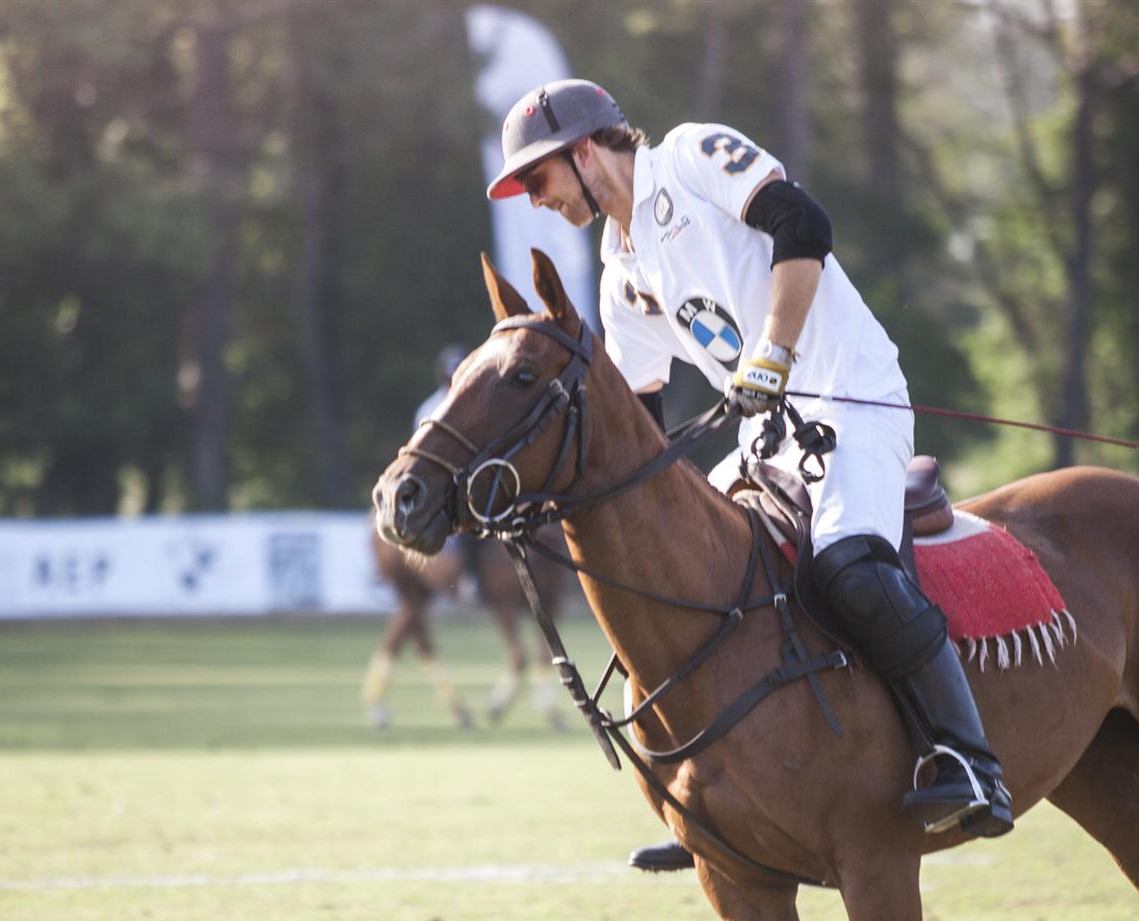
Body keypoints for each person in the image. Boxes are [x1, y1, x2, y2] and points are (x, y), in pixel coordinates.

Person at [486, 78, 1013, 872]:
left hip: (852, 395)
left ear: (585, 150)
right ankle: (703, 793)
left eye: (538, 178)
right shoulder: (619, 269)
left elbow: (802, 223)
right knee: (688, 583)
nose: (535, 199)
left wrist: (773, 348)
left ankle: (971, 759)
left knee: (850, 569)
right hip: (769, 435)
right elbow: (640, 422)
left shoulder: (693, 156)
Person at [415, 343, 487, 604]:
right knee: (468, 523)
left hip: (471, 478)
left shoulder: (476, 403)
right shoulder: (429, 408)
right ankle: (470, 577)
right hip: (439, 484)